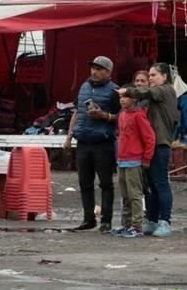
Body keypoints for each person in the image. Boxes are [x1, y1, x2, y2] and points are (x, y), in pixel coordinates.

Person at [120, 62, 178, 237]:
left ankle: (165, 221)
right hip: (148, 148)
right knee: (150, 186)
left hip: (160, 145)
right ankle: (152, 221)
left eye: (154, 75)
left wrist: (128, 91)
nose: (150, 79)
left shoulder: (165, 90)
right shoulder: (151, 98)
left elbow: (147, 91)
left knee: (161, 184)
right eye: (150, 75)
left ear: (164, 76)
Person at [63, 56, 120, 233]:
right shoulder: (84, 87)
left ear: (108, 72)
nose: (94, 72)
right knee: (84, 183)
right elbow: (77, 112)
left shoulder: (115, 91)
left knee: (105, 183)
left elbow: (122, 118)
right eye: (93, 68)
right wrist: (69, 136)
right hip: (83, 141)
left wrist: (104, 116)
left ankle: (106, 221)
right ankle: (88, 219)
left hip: (103, 142)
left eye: (99, 69)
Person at [113, 90, 155, 237]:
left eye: (126, 97)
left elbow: (150, 138)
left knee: (134, 195)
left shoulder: (138, 116)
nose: (122, 100)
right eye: (120, 97)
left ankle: (137, 226)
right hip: (122, 160)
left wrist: (146, 159)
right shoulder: (122, 115)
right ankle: (126, 224)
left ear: (134, 99)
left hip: (134, 160)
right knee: (125, 195)